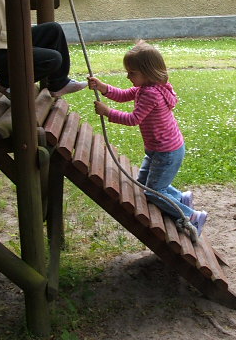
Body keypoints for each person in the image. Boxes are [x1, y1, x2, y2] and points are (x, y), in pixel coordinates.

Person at [87, 41, 208, 236]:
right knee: (143, 182)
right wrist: (103, 88)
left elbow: (133, 119)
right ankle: (181, 198)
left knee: (152, 191)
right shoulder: (147, 87)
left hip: (166, 152)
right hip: (159, 150)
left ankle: (191, 215)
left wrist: (107, 112)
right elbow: (123, 95)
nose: (128, 76)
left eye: (132, 72)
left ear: (148, 72)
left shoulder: (151, 94)